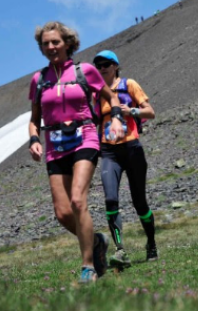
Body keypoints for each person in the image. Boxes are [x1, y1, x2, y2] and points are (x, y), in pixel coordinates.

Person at [28, 21, 125, 283]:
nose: (50, 47)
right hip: (55, 146)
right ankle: (96, 241)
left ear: (68, 44)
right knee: (62, 213)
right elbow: (34, 119)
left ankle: (88, 266)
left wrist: (116, 119)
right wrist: (34, 139)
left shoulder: (86, 71)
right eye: (45, 43)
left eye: (55, 42)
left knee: (78, 201)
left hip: (85, 138)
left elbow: (110, 97)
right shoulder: (39, 80)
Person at [93, 50, 158, 268]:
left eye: (106, 64)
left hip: (132, 148)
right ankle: (120, 250)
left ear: (116, 66)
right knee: (111, 200)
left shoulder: (129, 85)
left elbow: (150, 112)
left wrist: (132, 112)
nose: (102, 68)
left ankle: (151, 243)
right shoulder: (96, 93)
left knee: (140, 203)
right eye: (98, 64)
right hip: (109, 152)